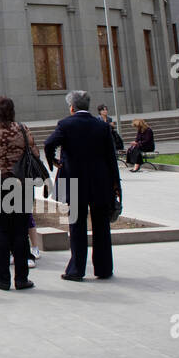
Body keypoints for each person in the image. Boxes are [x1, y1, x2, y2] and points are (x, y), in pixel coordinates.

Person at [43, 90, 121, 281]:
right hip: (100, 182)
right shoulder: (101, 126)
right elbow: (112, 158)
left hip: (75, 182)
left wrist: (53, 160)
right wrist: (116, 185)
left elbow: (48, 143)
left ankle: (76, 270)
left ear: (72, 107)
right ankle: (103, 268)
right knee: (101, 226)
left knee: (76, 226)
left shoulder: (65, 124)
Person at [0, 97, 36, 291]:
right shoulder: (22, 128)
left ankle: (3, 279)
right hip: (21, 183)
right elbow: (34, 153)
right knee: (21, 231)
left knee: (1, 232)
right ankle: (21, 279)